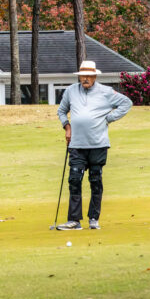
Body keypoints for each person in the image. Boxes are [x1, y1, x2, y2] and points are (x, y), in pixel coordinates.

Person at [55, 60, 132, 230]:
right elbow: (61, 111)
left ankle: (94, 219)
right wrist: (67, 127)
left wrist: (109, 118)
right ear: (79, 76)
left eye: (89, 76)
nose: (86, 78)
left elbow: (126, 103)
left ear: (95, 76)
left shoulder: (106, 92)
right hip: (76, 145)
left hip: (98, 144)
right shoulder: (71, 91)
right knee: (74, 180)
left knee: (95, 181)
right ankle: (74, 220)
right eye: (83, 75)